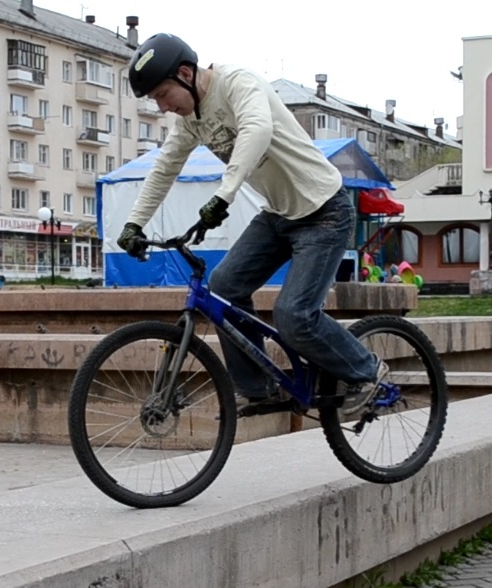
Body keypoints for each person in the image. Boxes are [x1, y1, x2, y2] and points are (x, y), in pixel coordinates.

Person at [116, 33, 382, 416]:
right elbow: (164, 168)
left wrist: (223, 196)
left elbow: (258, 131)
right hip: (279, 215)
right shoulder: (190, 119)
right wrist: (133, 224)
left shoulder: (238, 82)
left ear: (187, 73)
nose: (162, 107)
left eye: (161, 94)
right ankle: (259, 386)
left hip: (324, 211)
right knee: (223, 289)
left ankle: (366, 371)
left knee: (294, 316)